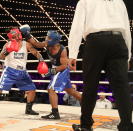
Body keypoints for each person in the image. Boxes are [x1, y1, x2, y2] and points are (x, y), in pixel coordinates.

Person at [68, 0, 133, 130]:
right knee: (122, 88)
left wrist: (73, 53)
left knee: (90, 86)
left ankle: (86, 126)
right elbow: (126, 28)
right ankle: (127, 126)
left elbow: (77, 25)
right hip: (118, 42)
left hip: (95, 42)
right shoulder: (119, 1)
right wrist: (128, 56)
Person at [20, 27, 82, 119]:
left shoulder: (62, 50)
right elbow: (35, 43)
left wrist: (51, 71)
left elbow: (64, 66)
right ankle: (86, 103)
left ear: (54, 40)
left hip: (62, 70)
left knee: (51, 89)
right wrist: (27, 34)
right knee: (70, 91)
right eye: (47, 37)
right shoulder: (47, 44)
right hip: (56, 69)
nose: (46, 39)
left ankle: (55, 113)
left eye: (48, 38)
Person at [0, 27, 45, 116]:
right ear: (11, 37)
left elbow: (35, 52)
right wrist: (7, 51)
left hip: (22, 72)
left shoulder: (26, 44)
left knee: (32, 89)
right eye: (14, 36)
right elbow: (1, 57)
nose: (17, 37)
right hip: (10, 71)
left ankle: (29, 109)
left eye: (17, 35)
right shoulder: (7, 45)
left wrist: (41, 60)